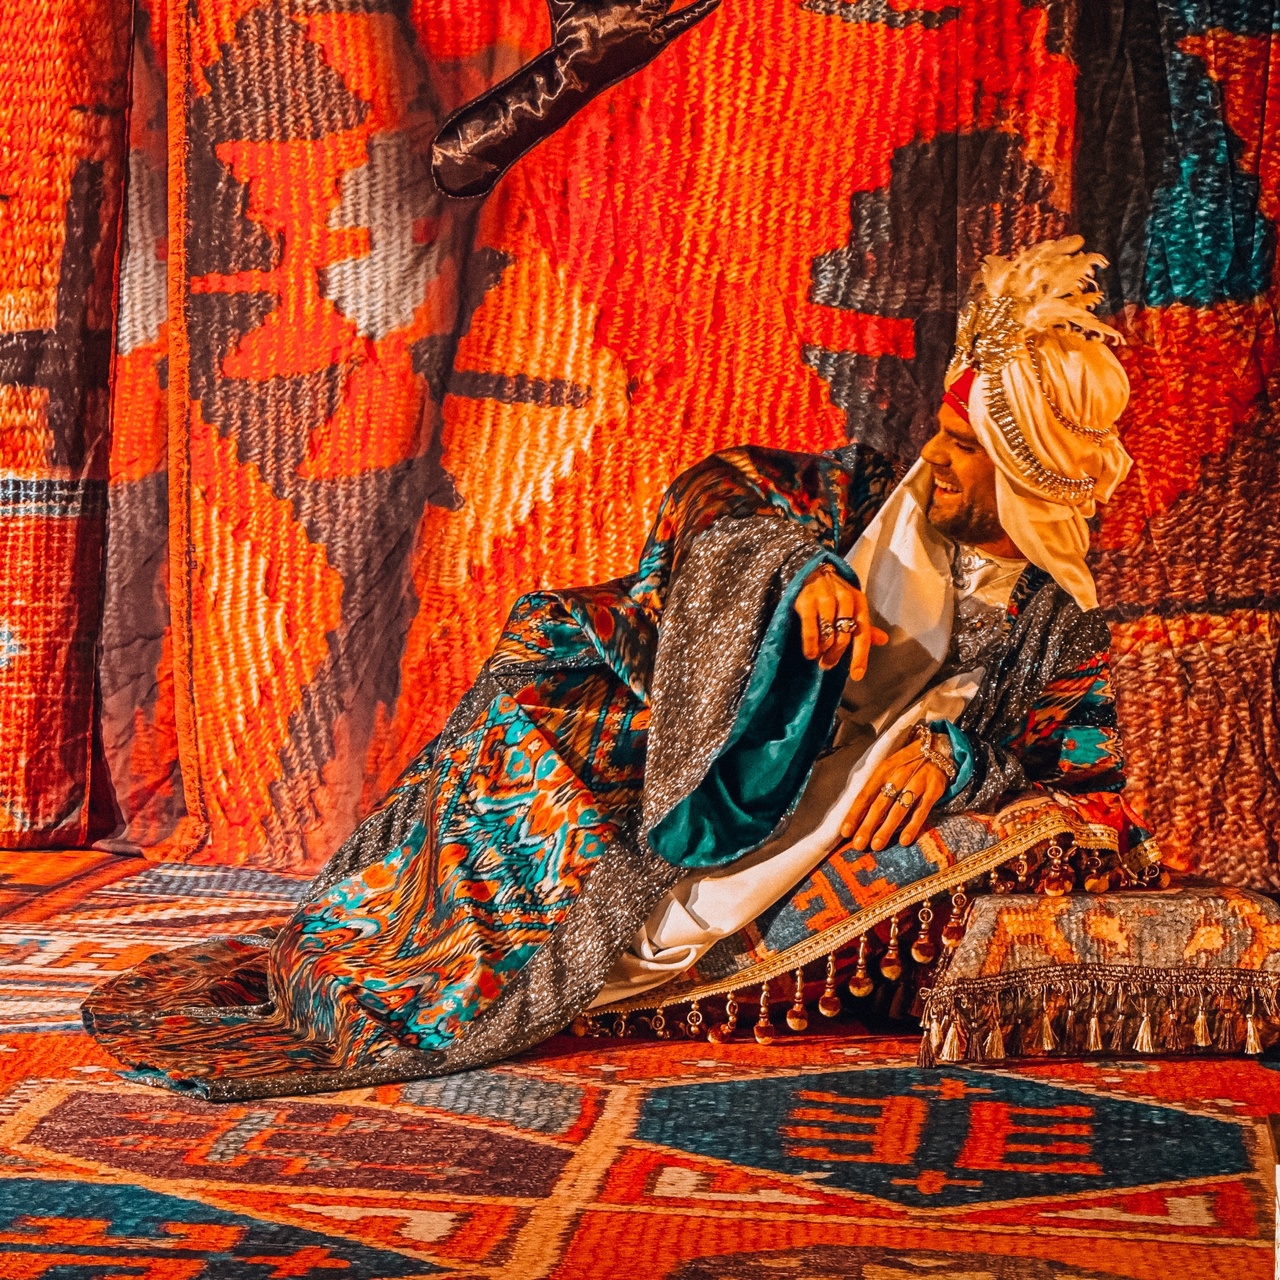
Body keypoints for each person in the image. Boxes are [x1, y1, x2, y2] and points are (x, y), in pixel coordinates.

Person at [83, 237, 1157, 1099]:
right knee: (534, 697)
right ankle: (373, 941)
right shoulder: (866, 495)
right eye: (942, 433)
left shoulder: (1058, 624)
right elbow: (714, 491)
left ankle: (467, 960)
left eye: (962, 449)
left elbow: (1081, 766)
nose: (934, 458)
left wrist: (956, 756)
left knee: (568, 828)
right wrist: (792, 572)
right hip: (704, 727)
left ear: (1024, 476)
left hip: (798, 798)